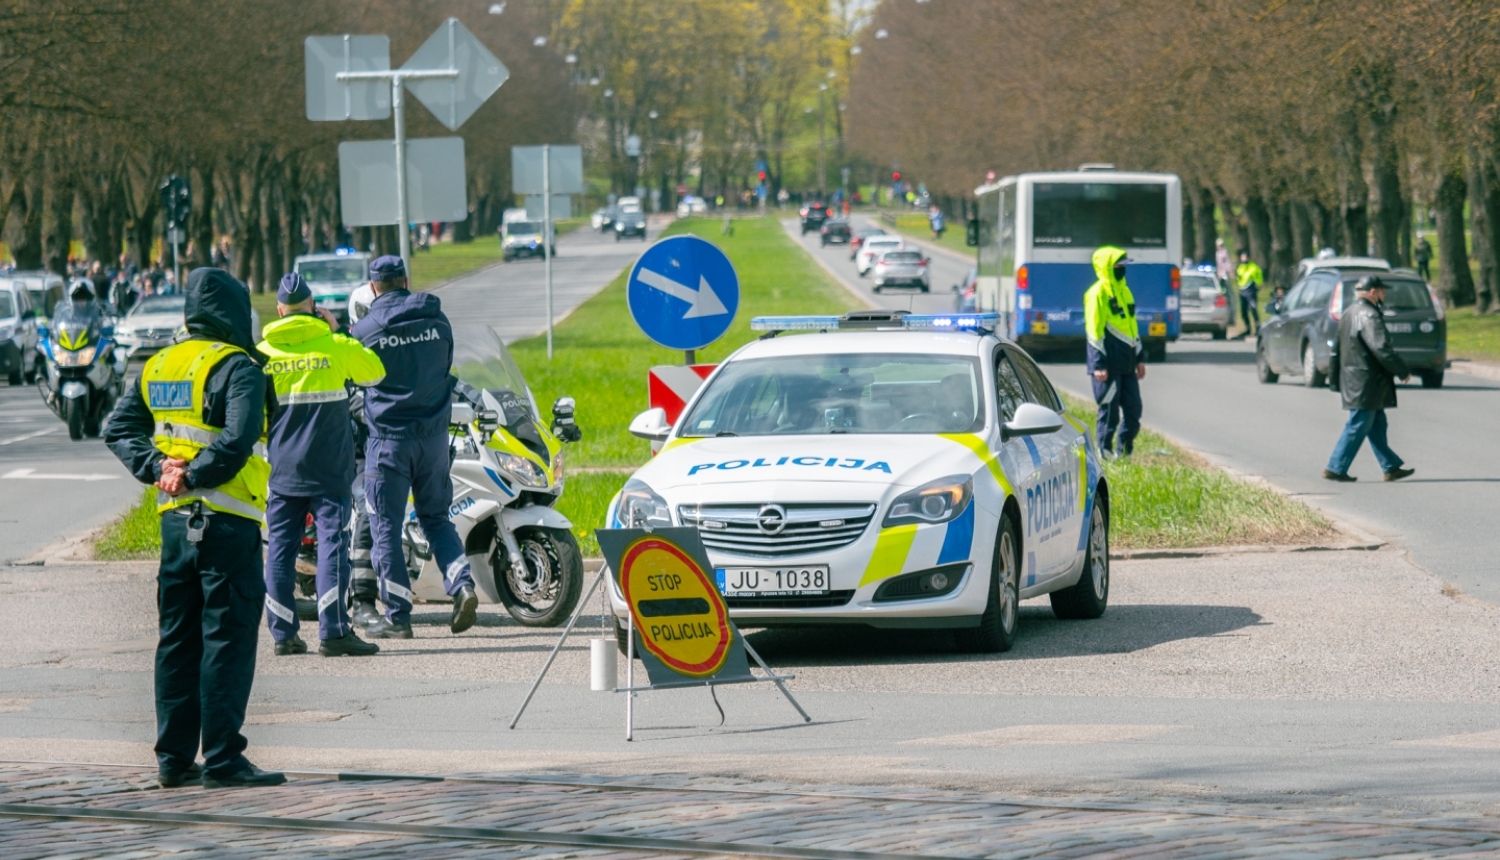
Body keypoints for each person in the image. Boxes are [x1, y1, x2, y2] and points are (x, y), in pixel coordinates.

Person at [103, 267, 286, 789]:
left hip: (174, 527)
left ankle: (174, 759)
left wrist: (159, 469)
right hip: (228, 521)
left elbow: (118, 428)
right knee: (225, 640)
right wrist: (196, 473)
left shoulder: (159, 364)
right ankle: (225, 759)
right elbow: (238, 439)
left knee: (177, 641)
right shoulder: (240, 367)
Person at [350, 255, 479, 639]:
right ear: (406, 279)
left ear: (374, 287)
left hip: (388, 444)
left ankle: (398, 616)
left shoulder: (365, 331)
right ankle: (462, 585)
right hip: (434, 440)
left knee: (385, 525)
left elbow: (355, 385)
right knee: (437, 518)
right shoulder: (438, 321)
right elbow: (445, 369)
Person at [258, 273, 386, 658]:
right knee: (333, 546)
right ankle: (333, 633)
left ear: (279, 311)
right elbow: (374, 371)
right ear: (314, 307)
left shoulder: (262, 353)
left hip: (282, 469)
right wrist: (339, 332)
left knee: (280, 550)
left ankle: (283, 636)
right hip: (330, 468)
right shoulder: (333, 345)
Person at [1324, 276, 1415, 483]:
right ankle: (1336, 467)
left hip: (1357, 380)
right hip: (1367, 381)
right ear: (1373, 292)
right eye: (1383, 291)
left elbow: (1335, 350)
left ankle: (1390, 466)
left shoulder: (1348, 313)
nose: (1385, 295)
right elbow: (1381, 348)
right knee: (1359, 423)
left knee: (1376, 424)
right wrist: (1402, 370)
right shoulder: (1369, 315)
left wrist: (1334, 378)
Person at [1083, 246, 1146, 457]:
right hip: (1107, 366)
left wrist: (1139, 358)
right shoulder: (1096, 294)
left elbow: (1132, 328)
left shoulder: (1125, 291)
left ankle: (1124, 452)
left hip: (1128, 364)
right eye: (1118, 266)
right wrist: (1097, 364)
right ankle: (1105, 454)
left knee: (1134, 410)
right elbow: (1094, 332)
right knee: (1109, 412)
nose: (1122, 269)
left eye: (1124, 265)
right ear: (1107, 267)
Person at [1235, 251, 1264, 337]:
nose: (1243, 259)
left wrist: (1258, 285)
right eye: (1242, 257)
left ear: (1248, 258)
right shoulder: (1240, 267)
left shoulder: (1253, 267)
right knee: (1243, 312)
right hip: (1242, 290)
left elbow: (1259, 277)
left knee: (1253, 309)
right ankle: (1248, 328)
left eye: (1245, 257)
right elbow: (1239, 277)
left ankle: (1258, 328)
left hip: (1250, 290)